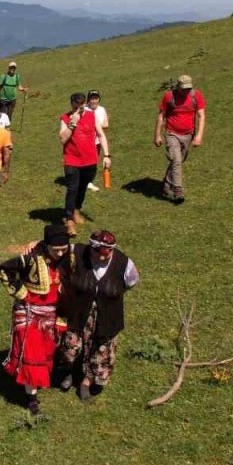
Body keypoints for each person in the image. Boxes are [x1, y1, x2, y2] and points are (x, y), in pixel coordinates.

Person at [57, 230, 140, 403]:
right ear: (91, 248)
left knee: (102, 350)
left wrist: (108, 295)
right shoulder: (77, 252)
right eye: (99, 253)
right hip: (79, 312)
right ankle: (70, 372)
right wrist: (34, 245)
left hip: (108, 316)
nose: (104, 257)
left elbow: (131, 282)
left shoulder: (124, 263)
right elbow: (54, 245)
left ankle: (86, 383)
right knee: (71, 345)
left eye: (108, 252)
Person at [0, 223, 72, 415]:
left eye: (64, 249)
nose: (61, 253)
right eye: (57, 250)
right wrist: (21, 293)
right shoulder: (31, 259)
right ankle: (31, 398)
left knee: (47, 351)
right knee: (32, 354)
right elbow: (4, 270)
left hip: (53, 314)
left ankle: (36, 385)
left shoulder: (69, 257)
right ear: (47, 246)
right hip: (29, 312)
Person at [59, 92, 111, 230]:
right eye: (76, 106)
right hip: (72, 160)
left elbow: (101, 135)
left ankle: (76, 210)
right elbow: (63, 139)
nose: (79, 109)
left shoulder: (91, 116)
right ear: (72, 104)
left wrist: (106, 155)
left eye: (81, 106)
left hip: (90, 160)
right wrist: (72, 124)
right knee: (72, 189)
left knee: (83, 187)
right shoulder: (65, 118)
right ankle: (69, 219)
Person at [154, 75, 205, 203]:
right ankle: (178, 189)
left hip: (188, 134)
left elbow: (201, 116)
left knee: (179, 161)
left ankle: (166, 184)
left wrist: (199, 135)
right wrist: (157, 135)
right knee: (176, 160)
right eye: (184, 89)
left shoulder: (196, 95)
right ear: (178, 87)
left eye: (189, 88)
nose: (186, 91)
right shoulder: (169, 97)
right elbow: (161, 116)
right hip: (172, 134)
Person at [85, 90, 109, 192]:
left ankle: (89, 182)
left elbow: (106, 124)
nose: (94, 100)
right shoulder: (84, 109)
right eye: (92, 98)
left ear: (99, 99)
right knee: (85, 162)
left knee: (94, 161)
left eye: (96, 98)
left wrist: (96, 124)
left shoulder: (102, 109)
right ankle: (85, 182)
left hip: (97, 141)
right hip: (85, 141)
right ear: (88, 100)